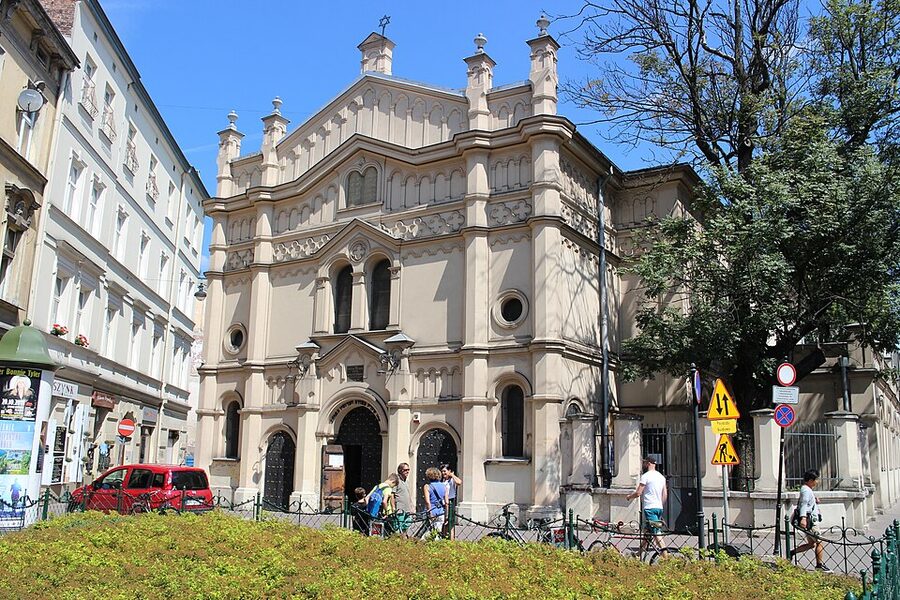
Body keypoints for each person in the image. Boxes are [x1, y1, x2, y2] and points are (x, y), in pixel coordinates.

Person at [790, 470, 832, 572]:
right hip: (810, 522)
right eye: (815, 479)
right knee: (819, 542)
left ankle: (791, 553)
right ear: (810, 480)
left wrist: (814, 500)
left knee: (811, 544)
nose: (817, 482)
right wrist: (803, 518)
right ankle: (819, 565)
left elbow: (807, 503)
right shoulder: (806, 490)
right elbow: (804, 504)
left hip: (810, 519)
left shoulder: (807, 490)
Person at [626, 456, 668, 557]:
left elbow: (638, 493)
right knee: (648, 532)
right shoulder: (661, 477)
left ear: (648, 463)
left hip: (649, 508)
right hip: (658, 508)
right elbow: (665, 494)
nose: (644, 465)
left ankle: (665, 556)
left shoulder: (646, 476)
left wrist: (629, 497)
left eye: (645, 463)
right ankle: (638, 554)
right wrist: (660, 505)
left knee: (656, 531)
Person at [422, 467, 447, 538]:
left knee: (427, 532)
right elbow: (447, 502)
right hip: (441, 511)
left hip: (431, 511)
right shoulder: (444, 486)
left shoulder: (427, 486)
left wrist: (430, 513)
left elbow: (427, 501)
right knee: (438, 532)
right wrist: (447, 515)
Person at [440, 464, 462, 539]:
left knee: (450, 523)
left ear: (449, 471)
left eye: (445, 471)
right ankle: (444, 538)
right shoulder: (442, 480)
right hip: (442, 503)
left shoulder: (452, 480)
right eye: (442, 471)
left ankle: (451, 540)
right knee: (443, 523)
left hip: (450, 502)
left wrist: (452, 475)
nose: (443, 473)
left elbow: (459, 482)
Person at [392, 463, 413, 535]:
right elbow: (392, 495)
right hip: (399, 509)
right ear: (400, 470)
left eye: (408, 470)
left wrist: (411, 506)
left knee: (407, 525)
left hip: (407, 509)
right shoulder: (396, 480)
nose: (407, 472)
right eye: (405, 470)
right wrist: (393, 507)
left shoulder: (406, 481)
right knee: (398, 528)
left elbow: (408, 494)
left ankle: (403, 540)